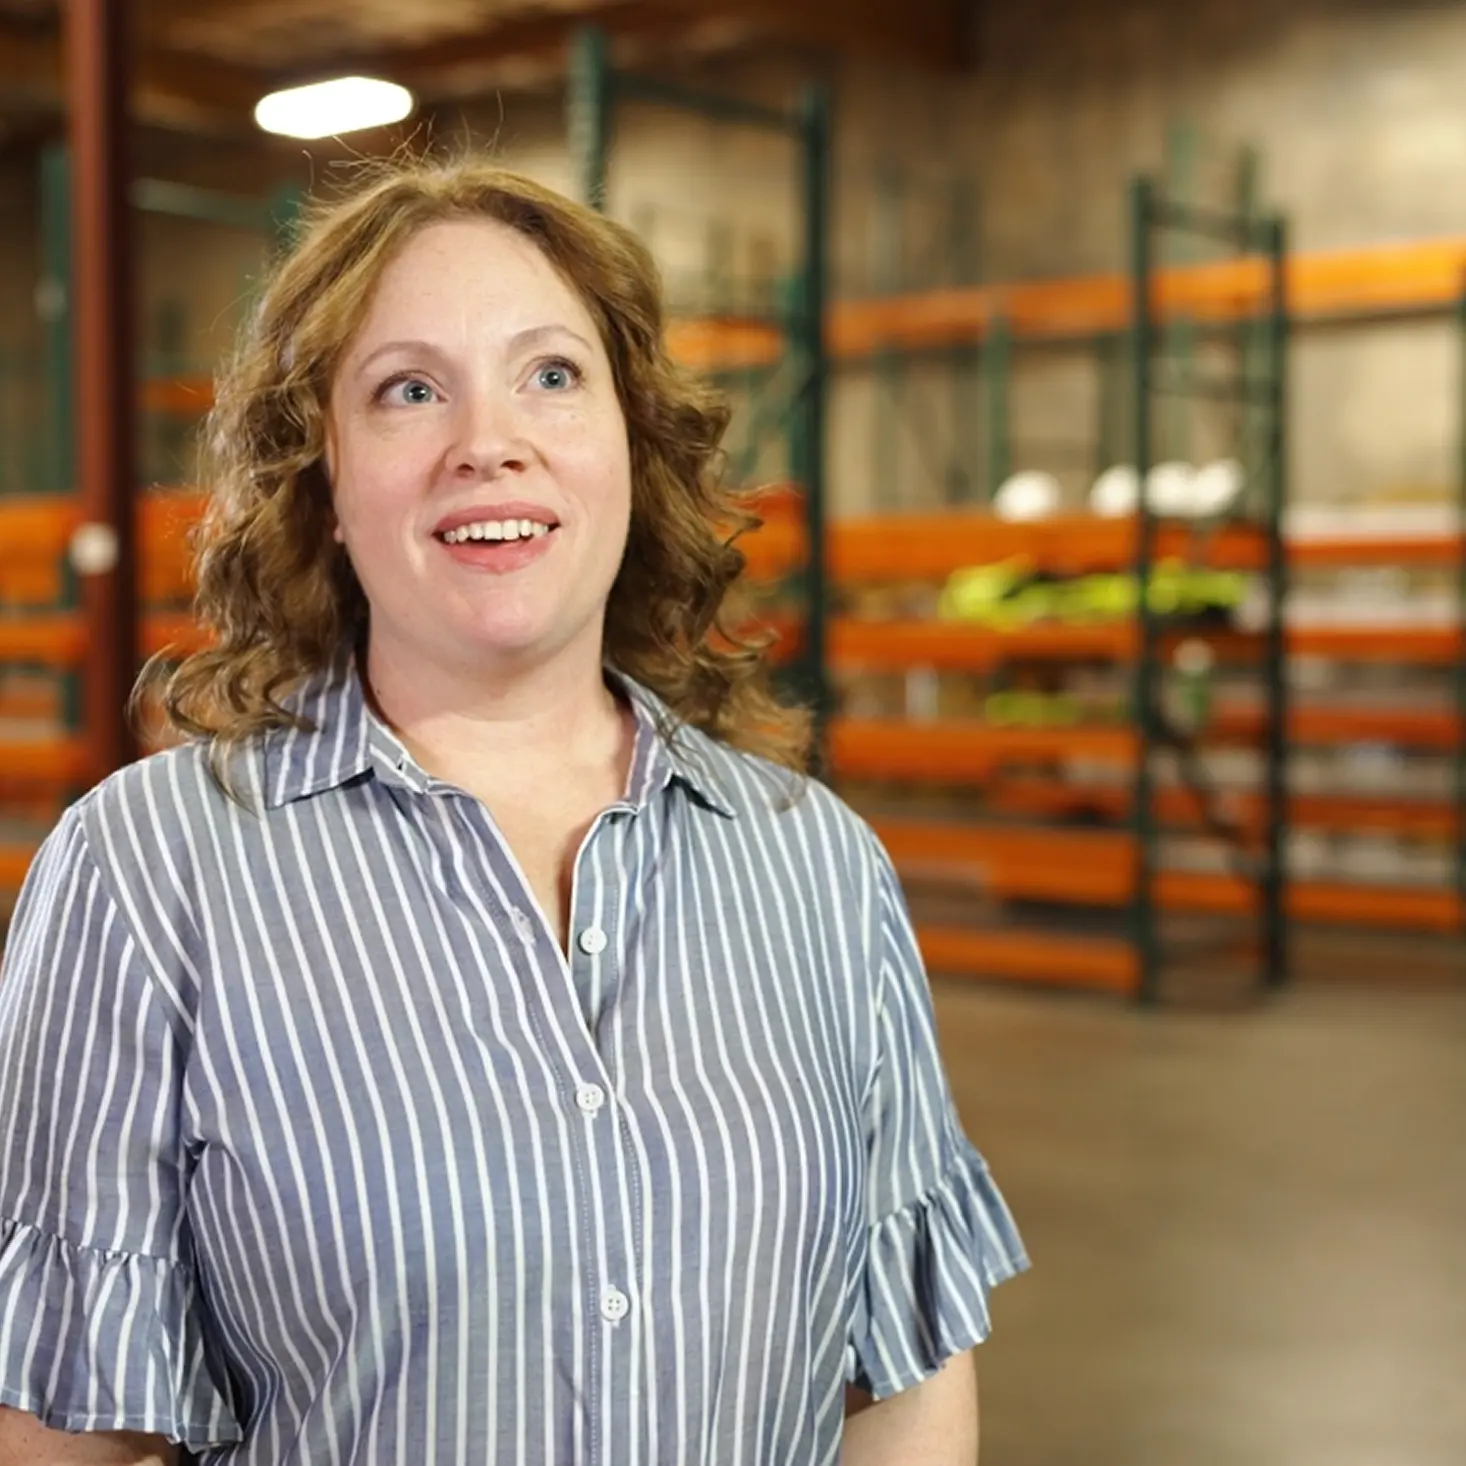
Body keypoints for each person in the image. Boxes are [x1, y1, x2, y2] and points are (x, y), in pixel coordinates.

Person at [0, 154, 1027, 1466]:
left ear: (629, 442)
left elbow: (902, 1375)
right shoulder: (149, 877)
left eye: (550, 373)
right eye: (408, 390)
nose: (489, 439)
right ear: (320, 475)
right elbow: (76, 1440)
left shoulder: (817, 867)